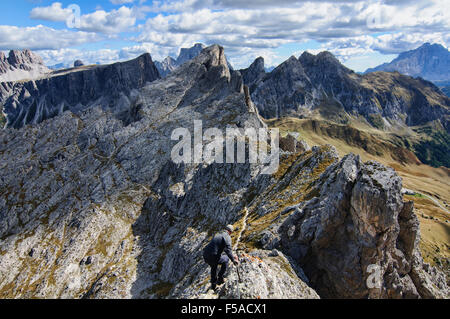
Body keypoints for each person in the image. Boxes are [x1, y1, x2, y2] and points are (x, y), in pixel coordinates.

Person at [203, 225, 239, 290]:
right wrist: (233, 260)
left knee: (214, 266)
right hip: (213, 256)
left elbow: (223, 249)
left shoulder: (219, 234)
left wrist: (231, 255)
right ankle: (220, 278)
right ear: (230, 232)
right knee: (226, 259)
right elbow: (228, 250)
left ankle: (213, 285)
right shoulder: (227, 237)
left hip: (206, 255)